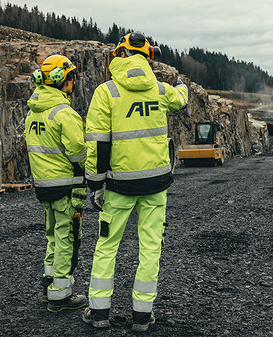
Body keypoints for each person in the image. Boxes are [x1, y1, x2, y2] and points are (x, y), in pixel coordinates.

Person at [83, 32, 188, 331]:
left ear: (120, 55)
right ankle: (142, 315)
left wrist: (95, 184)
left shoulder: (106, 92)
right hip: (156, 184)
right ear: (147, 57)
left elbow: (98, 144)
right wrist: (181, 86)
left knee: (106, 246)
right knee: (151, 248)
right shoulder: (160, 89)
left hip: (118, 187)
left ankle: (99, 312)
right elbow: (180, 100)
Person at [24, 54, 88, 312]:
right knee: (67, 238)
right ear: (65, 81)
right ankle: (60, 295)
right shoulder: (65, 114)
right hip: (66, 187)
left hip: (44, 186)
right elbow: (78, 154)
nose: (73, 81)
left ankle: (50, 283)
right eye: (72, 77)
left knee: (53, 235)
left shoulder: (33, 113)